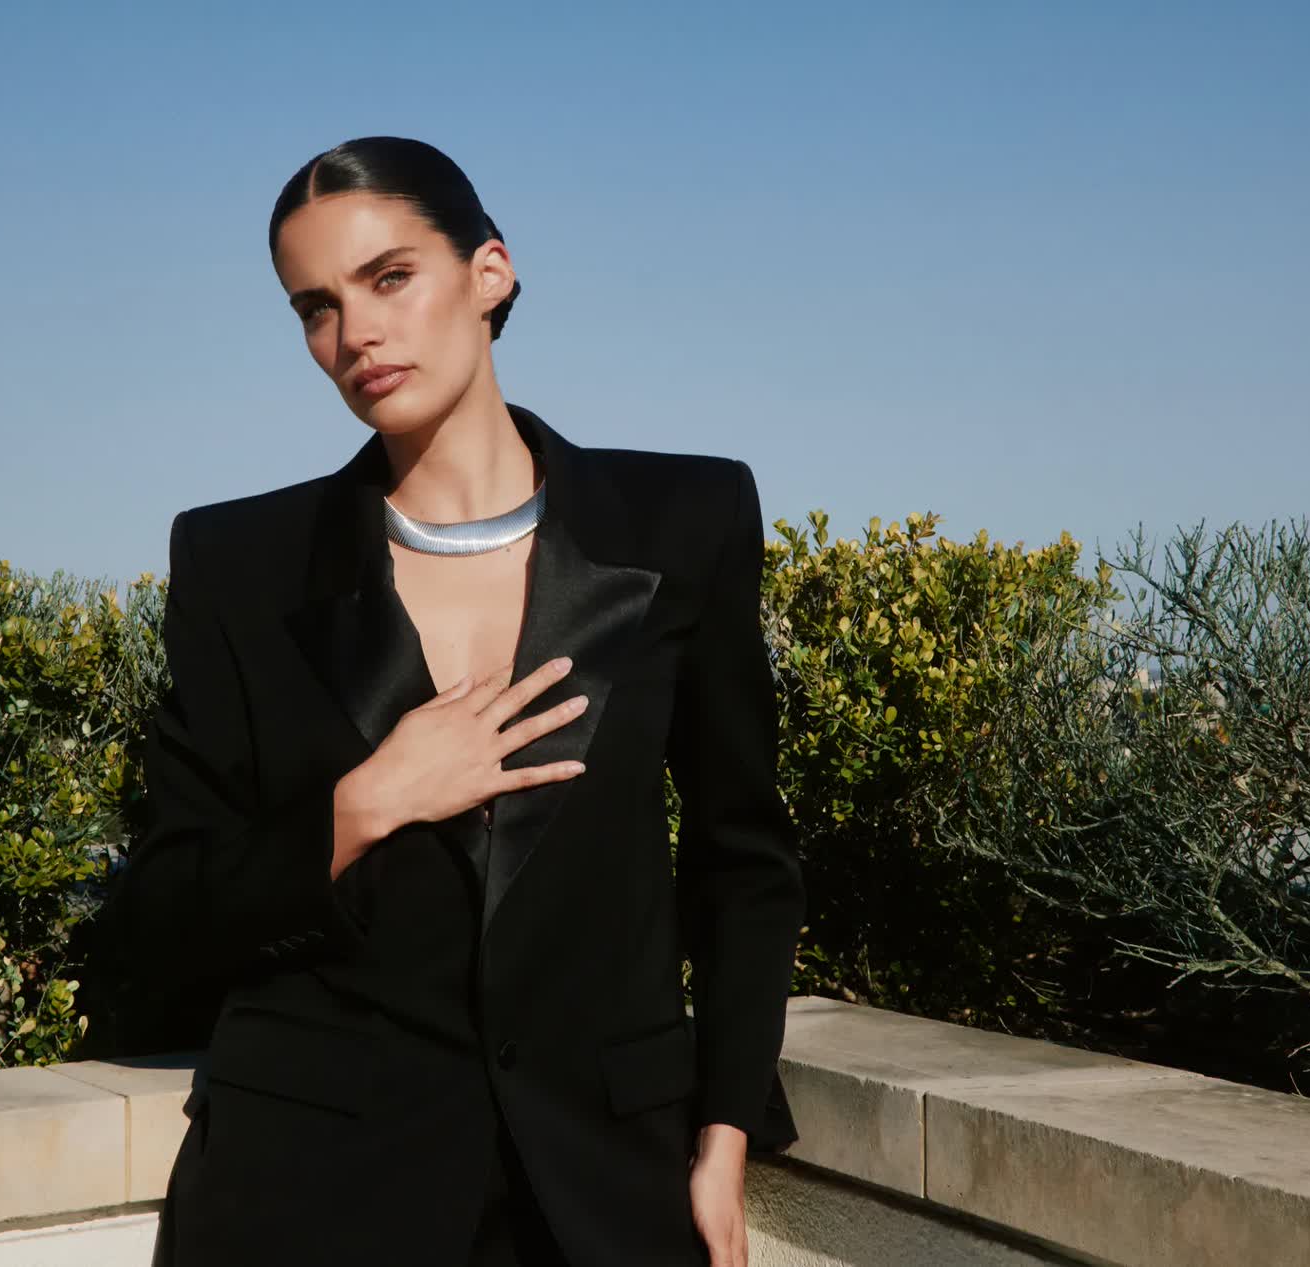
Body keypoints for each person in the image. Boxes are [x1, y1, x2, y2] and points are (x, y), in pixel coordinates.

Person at [114, 136, 804, 1267]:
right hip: (307, 1196)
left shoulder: (685, 520)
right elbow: (164, 911)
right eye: (316, 307)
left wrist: (723, 1138)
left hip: (605, 1191)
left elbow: (743, 863)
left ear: (490, 272)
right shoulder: (240, 565)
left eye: (390, 277)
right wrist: (367, 802)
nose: (355, 334)